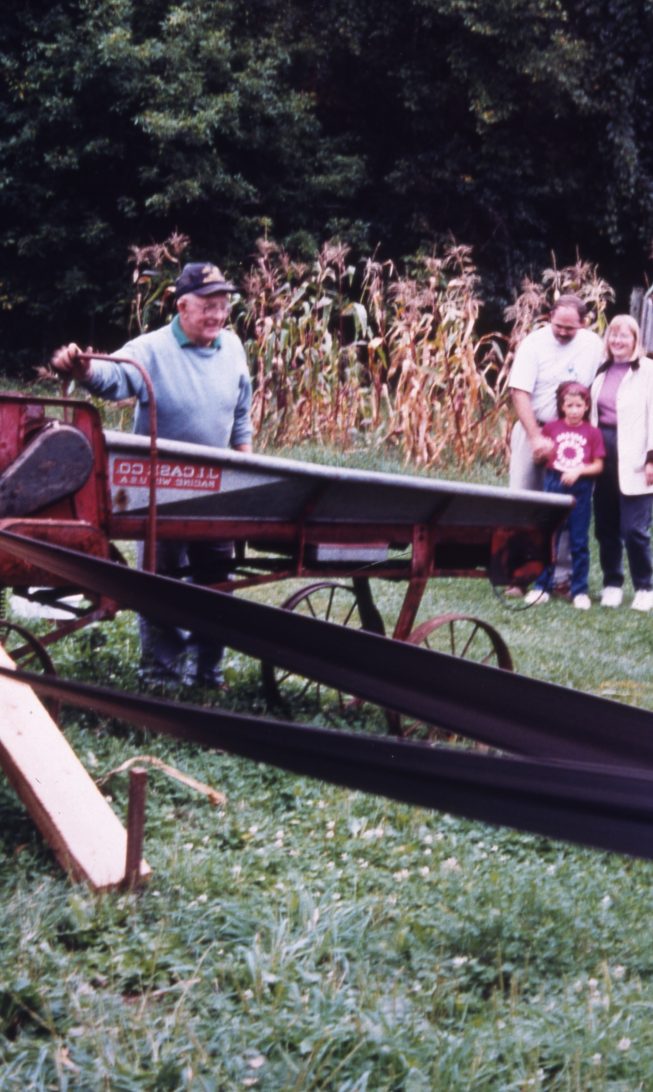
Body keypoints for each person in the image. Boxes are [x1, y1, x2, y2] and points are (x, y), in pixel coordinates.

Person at [50, 261, 253, 685]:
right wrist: (83, 368)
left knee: (217, 583)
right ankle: (162, 676)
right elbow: (114, 376)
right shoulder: (151, 349)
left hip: (217, 489)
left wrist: (245, 476)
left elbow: (240, 416)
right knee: (160, 583)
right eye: (208, 306)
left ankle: (208, 673)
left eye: (223, 305)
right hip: (162, 488)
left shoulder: (233, 347)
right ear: (182, 305)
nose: (217, 315)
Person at [507, 294, 604, 595]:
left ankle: (561, 576)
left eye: (569, 328)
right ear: (550, 315)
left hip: (574, 435)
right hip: (534, 428)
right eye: (557, 325)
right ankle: (518, 574)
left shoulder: (593, 345)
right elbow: (519, 391)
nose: (562, 332)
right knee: (525, 503)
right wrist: (536, 436)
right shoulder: (534, 344)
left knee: (567, 504)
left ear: (584, 323)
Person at [590, 314, 653, 612]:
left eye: (624, 336)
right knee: (606, 525)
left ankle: (645, 585)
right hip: (603, 451)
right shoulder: (601, 371)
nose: (617, 341)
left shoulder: (648, 371)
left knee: (634, 529)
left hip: (636, 454)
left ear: (635, 340)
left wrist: (652, 458)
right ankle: (612, 583)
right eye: (613, 335)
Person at [524, 381, 605, 610]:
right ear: (561, 406)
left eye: (579, 405)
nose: (574, 410)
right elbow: (542, 456)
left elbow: (598, 465)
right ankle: (542, 587)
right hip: (554, 483)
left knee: (579, 541)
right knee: (549, 536)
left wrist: (578, 470)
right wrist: (541, 453)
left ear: (586, 406)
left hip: (580, 488)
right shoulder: (551, 428)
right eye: (569, 405)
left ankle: (579, 590)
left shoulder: (592, 433)